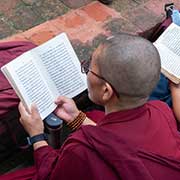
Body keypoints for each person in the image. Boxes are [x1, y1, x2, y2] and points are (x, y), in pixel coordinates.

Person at [1, 33, 180, 180]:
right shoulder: (161, 111)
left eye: (89, 68)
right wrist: (76, 117)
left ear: (105, 91)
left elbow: (51, 175)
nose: (86, 72)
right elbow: (117, 144)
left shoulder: (81, 150)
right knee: (95, 116)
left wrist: (36, 136)